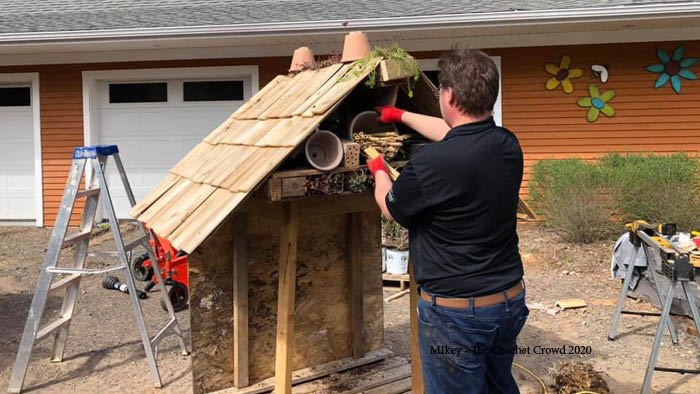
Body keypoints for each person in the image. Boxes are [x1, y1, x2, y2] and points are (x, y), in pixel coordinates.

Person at [367, 48, 528, 394]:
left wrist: (380, 172)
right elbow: (452, 132)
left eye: (440, 90)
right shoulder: (507, 144)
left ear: (449, 95)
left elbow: (390, 209)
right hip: (508, 303)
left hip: (456, 316)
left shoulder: (431, 165)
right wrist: (402, 115)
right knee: (498, 386)